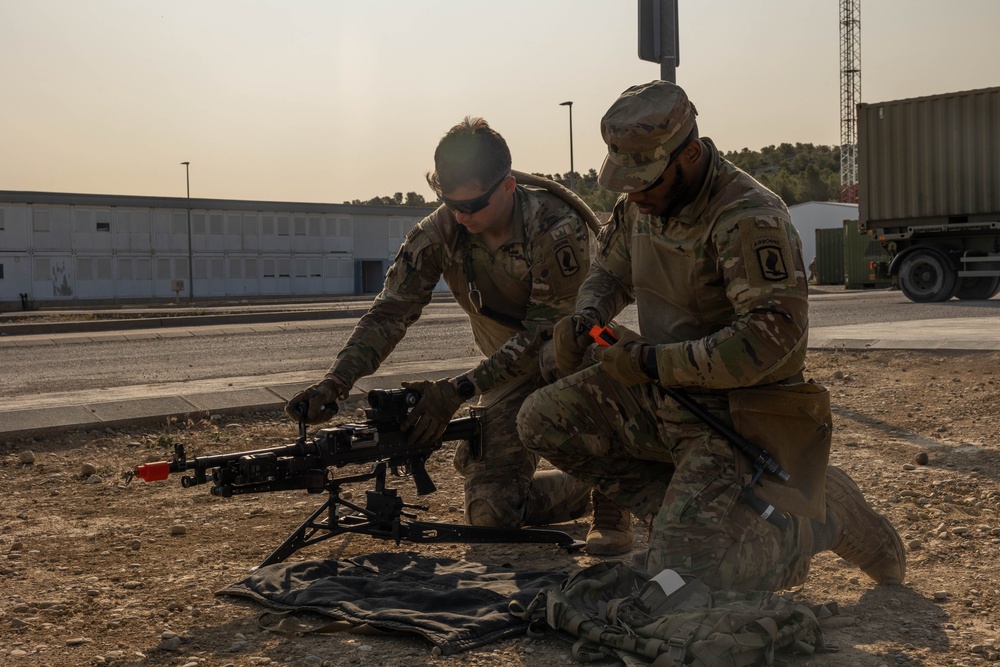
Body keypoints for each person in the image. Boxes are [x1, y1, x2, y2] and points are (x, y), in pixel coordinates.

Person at [516, 81, 906, 590]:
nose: (635, 194)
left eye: (646, 181)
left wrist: (654, 362)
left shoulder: (746, 216)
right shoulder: (642, 202)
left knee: (689, 583)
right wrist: (585, 318)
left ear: (691, 154)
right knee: (542, 419)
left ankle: (823, 517)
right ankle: (688, 519)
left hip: (738, 417)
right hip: (664, 394)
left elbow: (772, 338)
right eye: (627, 182)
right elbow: (609, 273)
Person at [285, 117, 634, 553]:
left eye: (473, 205)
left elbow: (541, 334)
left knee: (580, 357)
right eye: (451, 203)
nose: (461, 215)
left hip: (577, 354)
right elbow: (391, 312)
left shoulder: (554, 226)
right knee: (490, 519)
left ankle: (614, 498)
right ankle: (583, 485)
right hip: (504, 376)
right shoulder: (441, 232)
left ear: (507, 186)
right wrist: (335, 383)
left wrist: (458, 390)